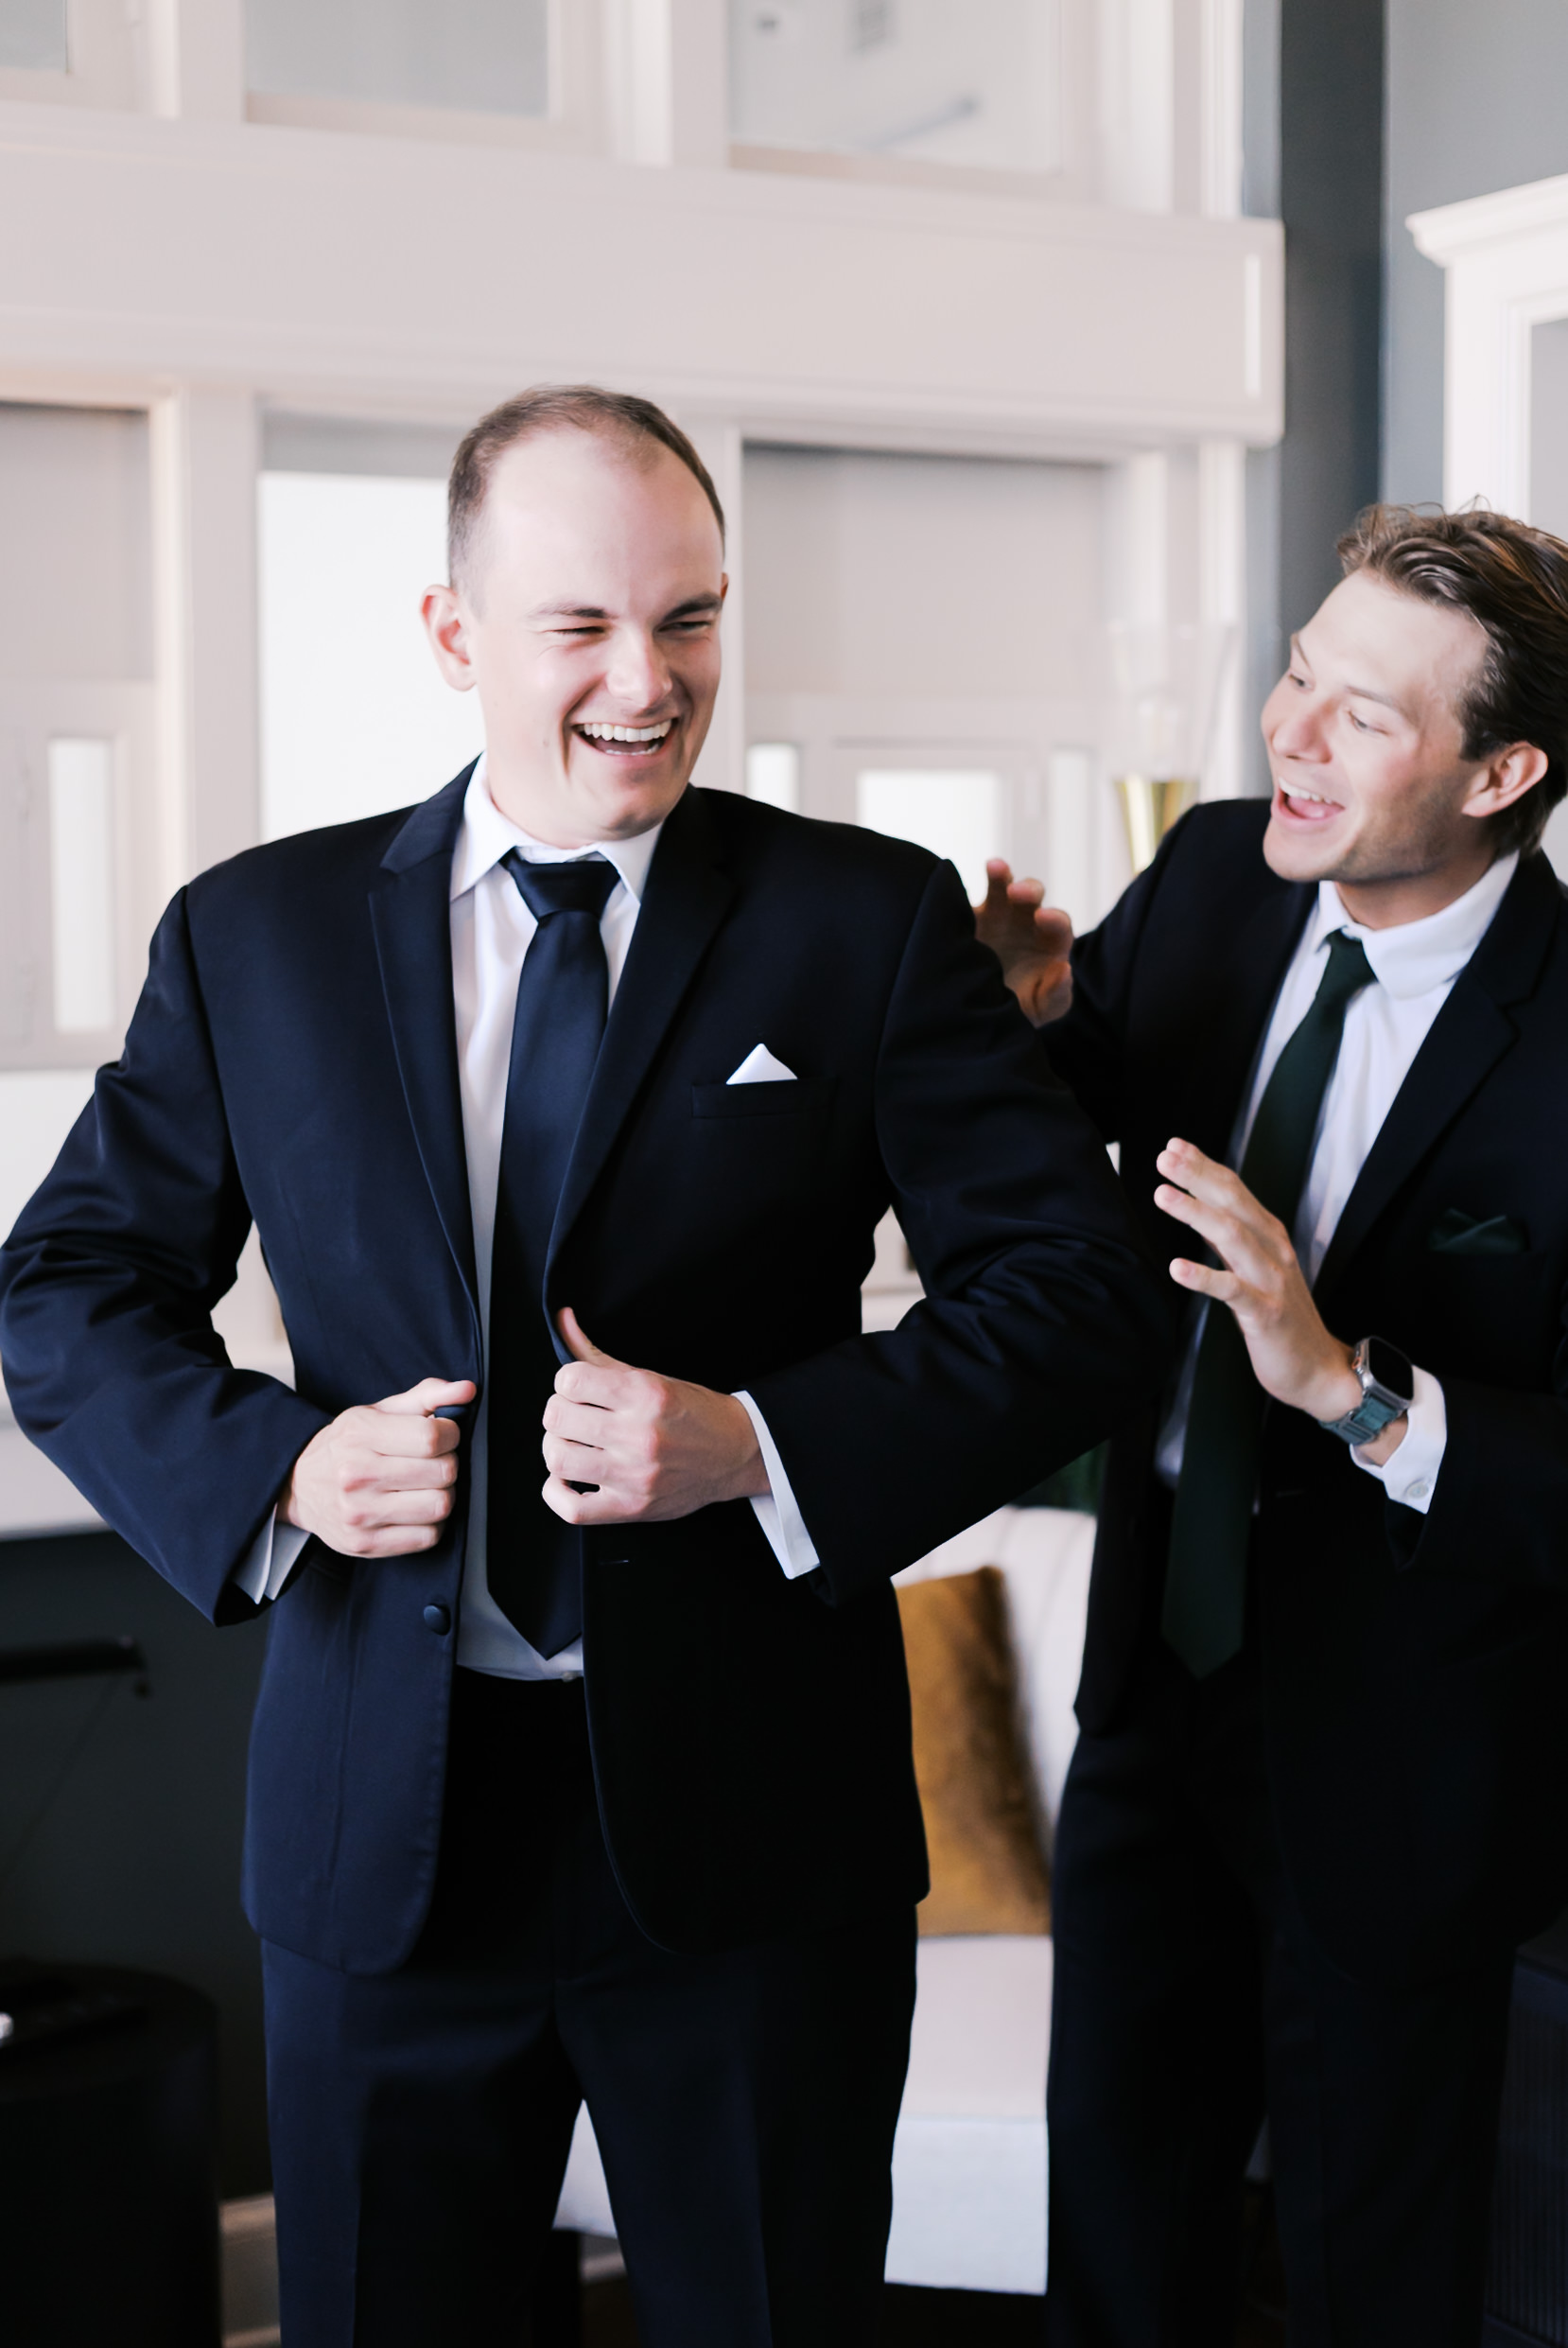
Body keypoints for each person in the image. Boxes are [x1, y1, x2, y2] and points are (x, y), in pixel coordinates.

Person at [0, 385, 1165, 2347]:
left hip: (752, 1840)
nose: (651, 680)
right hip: (385, 1841)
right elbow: (67, 1285)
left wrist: (759, 1442)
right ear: (456, 632)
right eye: (584, 627)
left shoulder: (859, 921)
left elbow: (1076, 1293)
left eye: (691, 618)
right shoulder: (252, 936)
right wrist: (279, 1467)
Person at [981, 503, 1568, 2347]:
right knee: (1119, 2252)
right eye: (1296, 675)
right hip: (1154, 1687)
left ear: (1503, 771)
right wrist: (1009, 1022)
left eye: (1360, 714)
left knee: (1371, 2280)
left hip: (1404, 1761)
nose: (1285, 736)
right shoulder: (1219, 876)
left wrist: (1347, 1384)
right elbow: (1083, 1100)